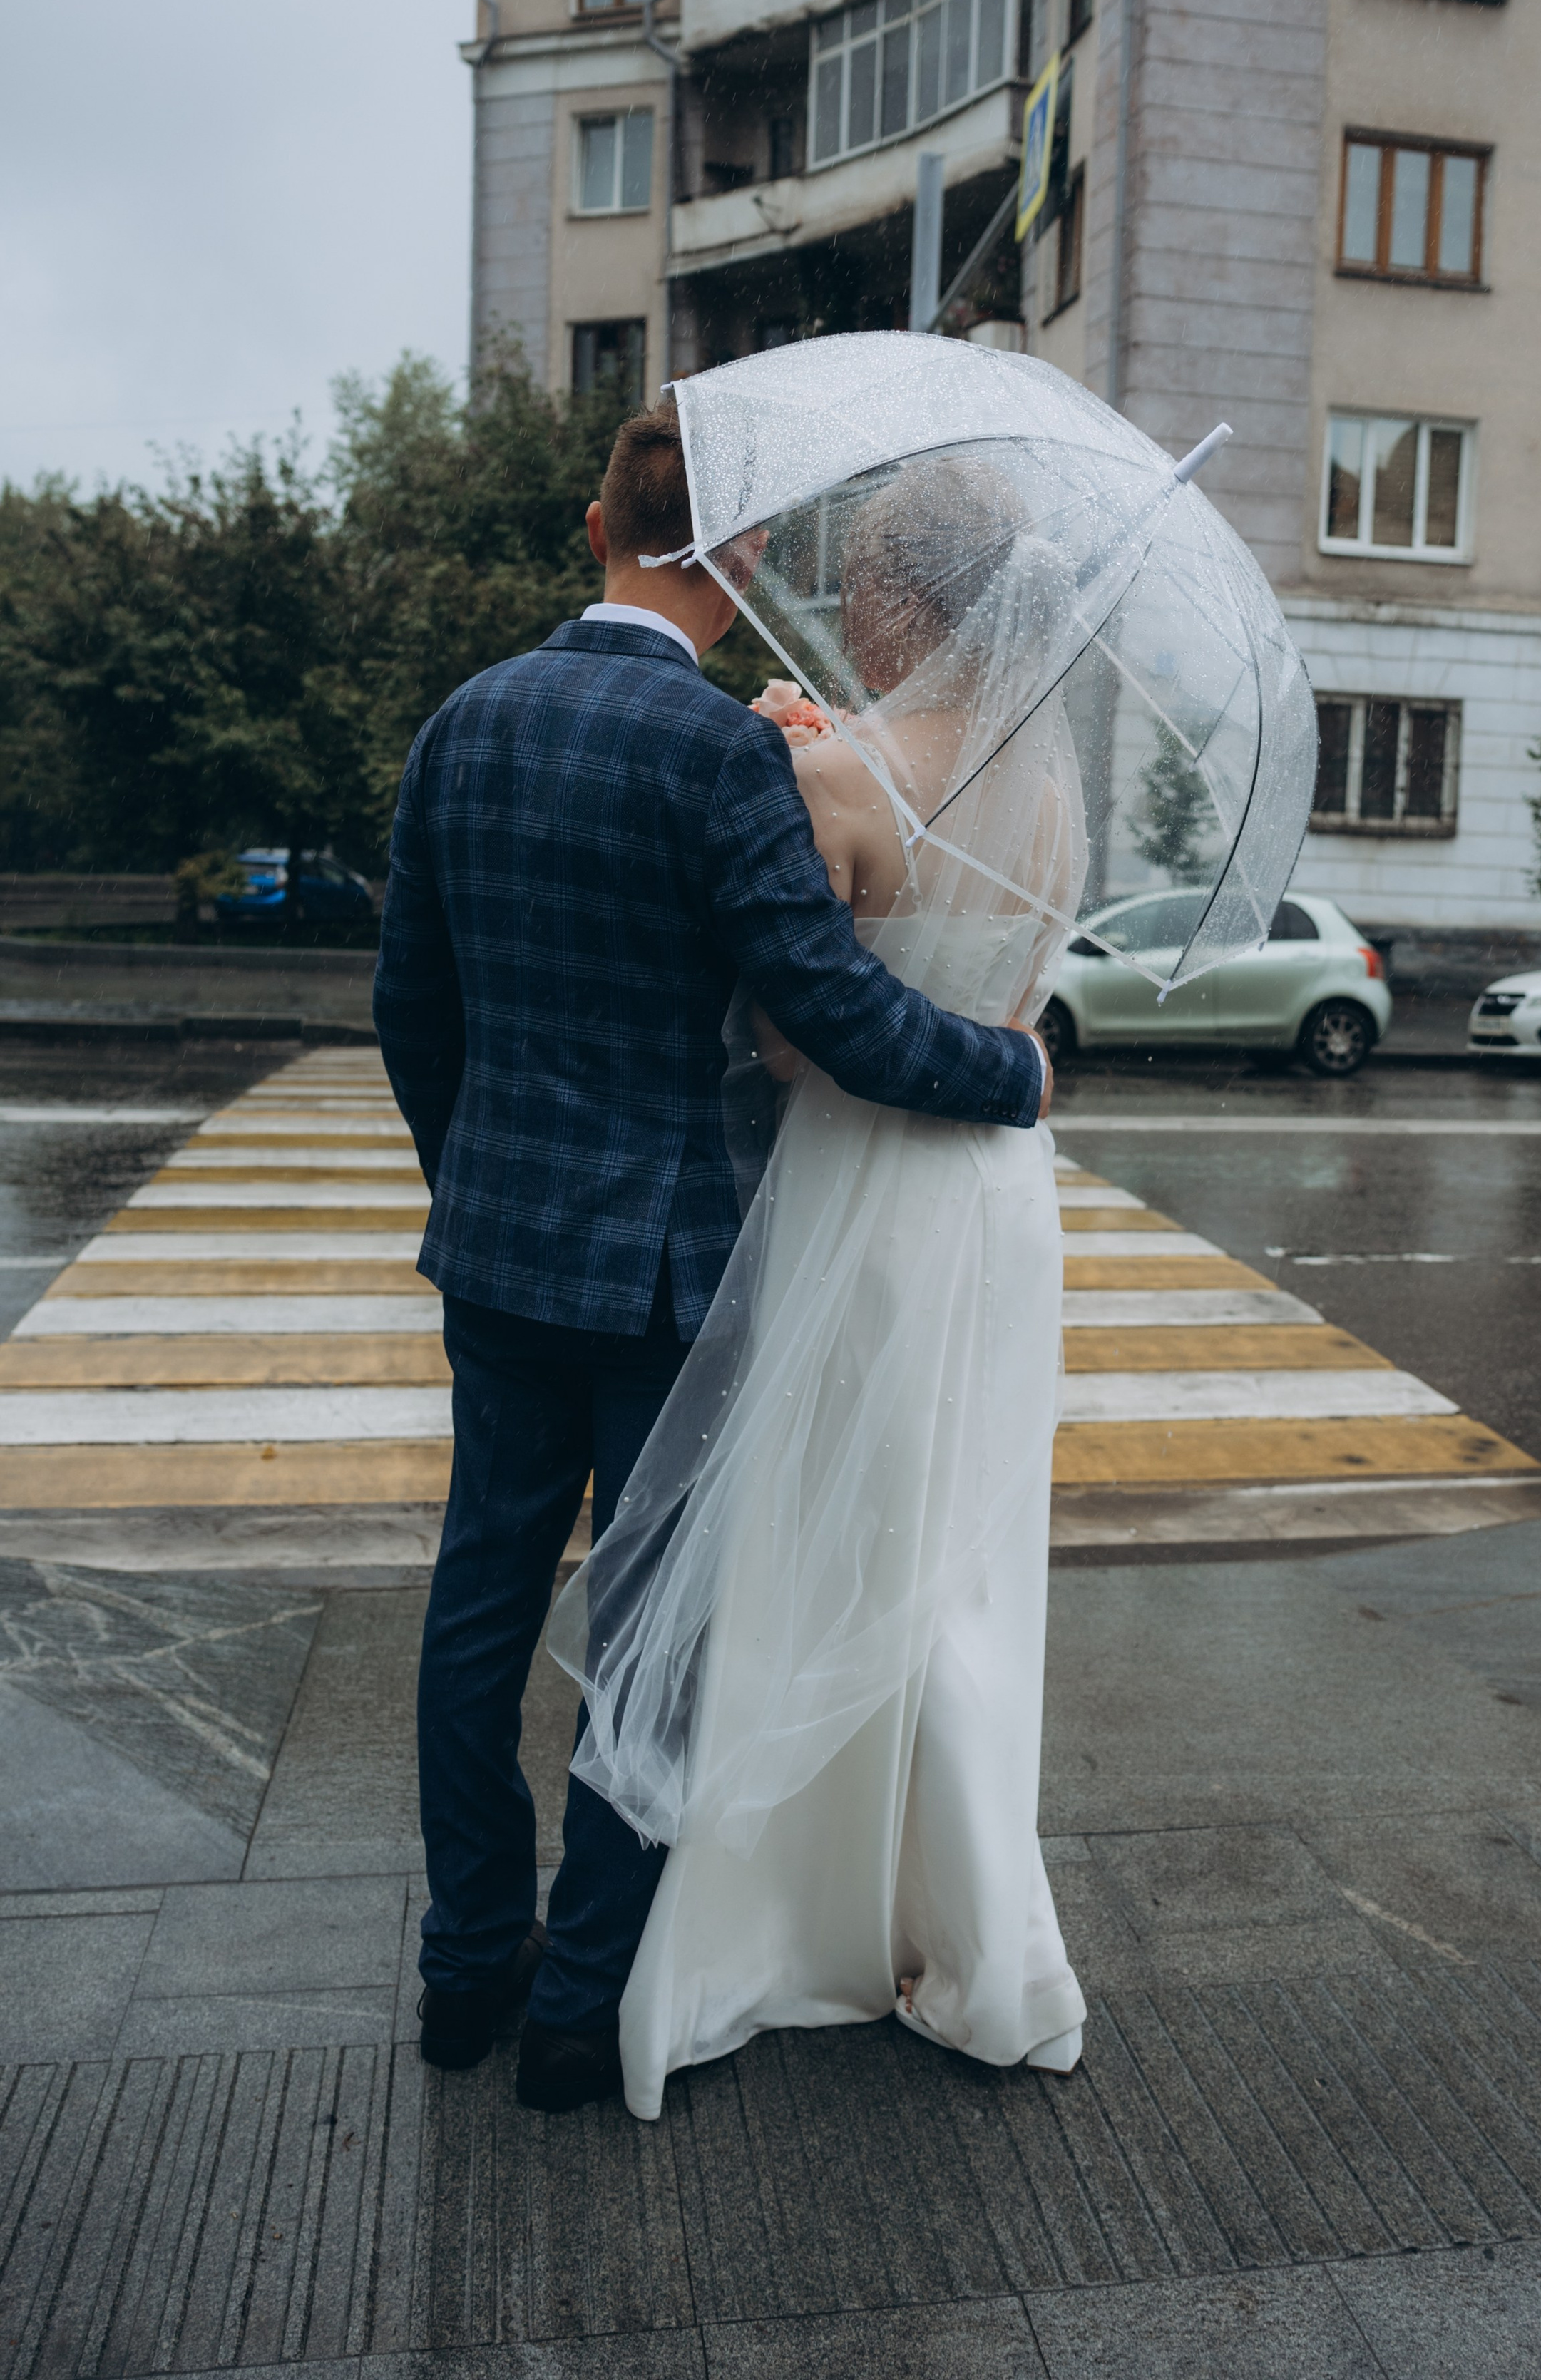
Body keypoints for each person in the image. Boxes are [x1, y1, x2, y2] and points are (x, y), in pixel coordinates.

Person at [372, 400, 1052, 2113]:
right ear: (737, 565)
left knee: (478, 1600)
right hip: (671, 1276)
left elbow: (410, 1010)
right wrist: (1013, 1070)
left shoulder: (462, 724)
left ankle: (466, 1966)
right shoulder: (722, 757)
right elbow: (828, 1010)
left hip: (502, 1257)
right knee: (654, 1626)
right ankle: (575, 2004)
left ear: (595, 526)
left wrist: (477, 1179)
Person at [550, 446, 1088, 2120]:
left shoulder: (840, 768)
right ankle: (970, 1935)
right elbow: (1008, 991)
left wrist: (808, 760)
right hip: (998, 1201)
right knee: (960, 1551)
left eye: (855, 583)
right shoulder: (1046, 777)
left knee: (822, 1531)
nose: (837, 606)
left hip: (861, 1189)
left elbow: (793, 1028)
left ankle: (791, 1910)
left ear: (901, 603)